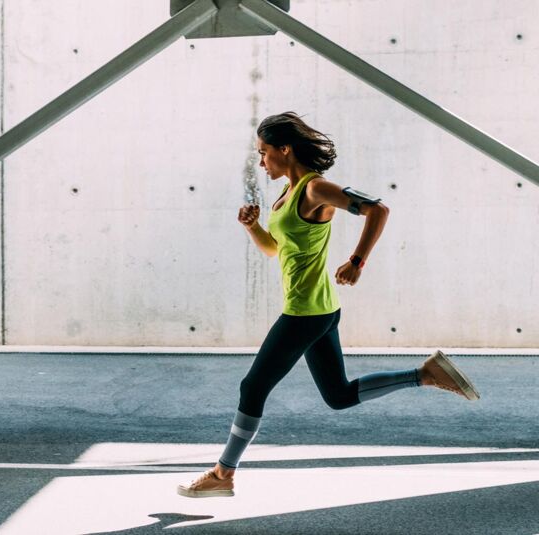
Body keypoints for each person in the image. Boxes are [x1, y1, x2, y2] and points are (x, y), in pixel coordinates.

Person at [177, 112, 480, 498]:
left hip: (306, 313)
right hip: (319, 308)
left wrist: (356, 262)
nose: (261, 162)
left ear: (285, 149)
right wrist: (253, 227)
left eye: (264, 153)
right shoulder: (287, 193)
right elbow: (275, 249)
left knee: (252, 387)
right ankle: (425, 374)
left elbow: (378, 210)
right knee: (337, 396)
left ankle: (223, 473)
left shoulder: (315, 189)